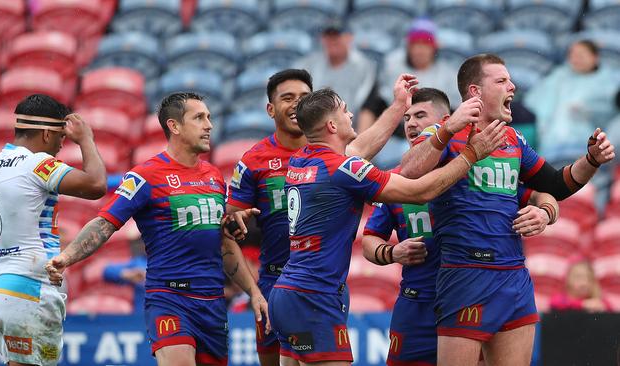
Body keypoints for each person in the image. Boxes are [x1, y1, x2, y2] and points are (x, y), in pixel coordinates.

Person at [399, 54, 615, 366]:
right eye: (501, 81)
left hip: (513, 276)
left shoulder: (512, 138)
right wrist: (446, 132)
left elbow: (555, 185)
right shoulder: (446, 131)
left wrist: (591, 160)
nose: (512, 86)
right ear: (475, 92)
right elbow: (409, 171)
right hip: (464, 274)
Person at [268, 86, 508, 366]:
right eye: (345, 110)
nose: (351, 114)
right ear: (332, 125)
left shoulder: (301, 160)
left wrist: (397, 106)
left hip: (285, 293)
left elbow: (360, 148)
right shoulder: (344, 170)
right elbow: (419, 192)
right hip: (315, 296)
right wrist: (471, 154)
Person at [45, 92, 269, 366]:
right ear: (174, 126)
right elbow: (105, 223)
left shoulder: (213, 177)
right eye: (199, 117)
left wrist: (254, 292)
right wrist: (66, 257)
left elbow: (223, 244)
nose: (209, 125)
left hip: (212, 303)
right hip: (169, 298)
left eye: (209, 117)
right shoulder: (146, 176)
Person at [227, 69, 429, 366]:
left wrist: (399, 106)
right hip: (285, 283)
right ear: (270, 109)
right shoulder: (257, 160)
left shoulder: (311, 156)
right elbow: (229, 230)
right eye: (288, 97)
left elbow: (359, 149)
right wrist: (252, 290)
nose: (296, 104)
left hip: (316, 285)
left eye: (303, 97)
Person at [362, 88, 559, 365]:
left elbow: (542, 192)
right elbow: (369, 241)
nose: (412, 124)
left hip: (469, 295)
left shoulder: (476, 171)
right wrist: (392, 253)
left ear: (448, 120)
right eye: (406, 118)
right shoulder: (397, 182)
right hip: (417, 304)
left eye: (421, 116)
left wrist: (546, 211)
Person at [0, 94, 107, 366]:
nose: (63, 144)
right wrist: (86, 139)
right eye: (62, 136)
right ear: (47, 133)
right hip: (30, 288)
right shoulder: (37, 163)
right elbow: (96, 184)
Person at [358, 18, 460, 169]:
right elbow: (370, 108)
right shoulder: (392, 69)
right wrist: (361, 149)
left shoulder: (448, 75)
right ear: (408, 46)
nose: (419, 50)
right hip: (394, 137)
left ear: (434, 47)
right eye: (415, 44)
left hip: (435, 140)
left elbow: (456, 116)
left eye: (425, 44)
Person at [524, 39, 618, 166]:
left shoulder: (609, 81)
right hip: (551, 143)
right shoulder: (558, 76)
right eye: (572, 55)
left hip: (587, 144)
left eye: (581, 55)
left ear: (595, 57)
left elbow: (611, 112)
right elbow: (536, 102)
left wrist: (588, 111)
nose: (576, 59)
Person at [293, 18, 377, 120]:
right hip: (313, 126)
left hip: (350, 127)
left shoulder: (365, 67)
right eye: (328, 36)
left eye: (337, 35)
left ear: (349, 37)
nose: (332, 40)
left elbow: (368, 107)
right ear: (322, 39)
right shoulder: (307, 64)